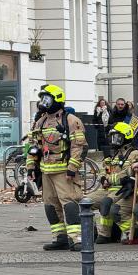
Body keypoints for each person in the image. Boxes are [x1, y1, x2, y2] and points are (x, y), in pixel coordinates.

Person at [26, 84, 87, 251]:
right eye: (42, 99)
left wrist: (72, 169)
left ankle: (77, 238)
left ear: (57, 100)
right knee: (50, 205)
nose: (43, 102)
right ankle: (60, 238)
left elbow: (78, 146)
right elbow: (33, 146)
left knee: (70, 204)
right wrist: (31, 166)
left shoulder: (71, 120)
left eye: (47, 98)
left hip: (64, 172)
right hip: (46, 171)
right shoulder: (41, 121)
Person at [90, 123, 138, 244]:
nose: (114, 140)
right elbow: (104, 169)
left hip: (123, 189)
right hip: (108, 189)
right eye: (113, 137)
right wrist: (103, 178)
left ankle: (108, 234)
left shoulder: (134, 154)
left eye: (117, 137)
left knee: (107, 203)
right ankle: (90, 232)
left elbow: (130, 172)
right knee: (85, 202)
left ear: (126, 137)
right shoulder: (114, 154)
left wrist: (111, 179)